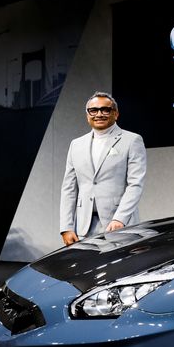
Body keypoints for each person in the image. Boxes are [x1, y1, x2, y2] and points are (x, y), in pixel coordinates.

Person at [59, 91, 147, 245]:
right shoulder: (76, 144)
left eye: (105, 110)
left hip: (119, 224)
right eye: (93, 110)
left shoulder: (132, 140)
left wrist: (120, 218)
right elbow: (69, 188)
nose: (99, 114)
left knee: (121, 268)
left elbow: (135, 184)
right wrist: (66, 227)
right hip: (84, 227)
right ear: (87, 115)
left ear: (116, 114)